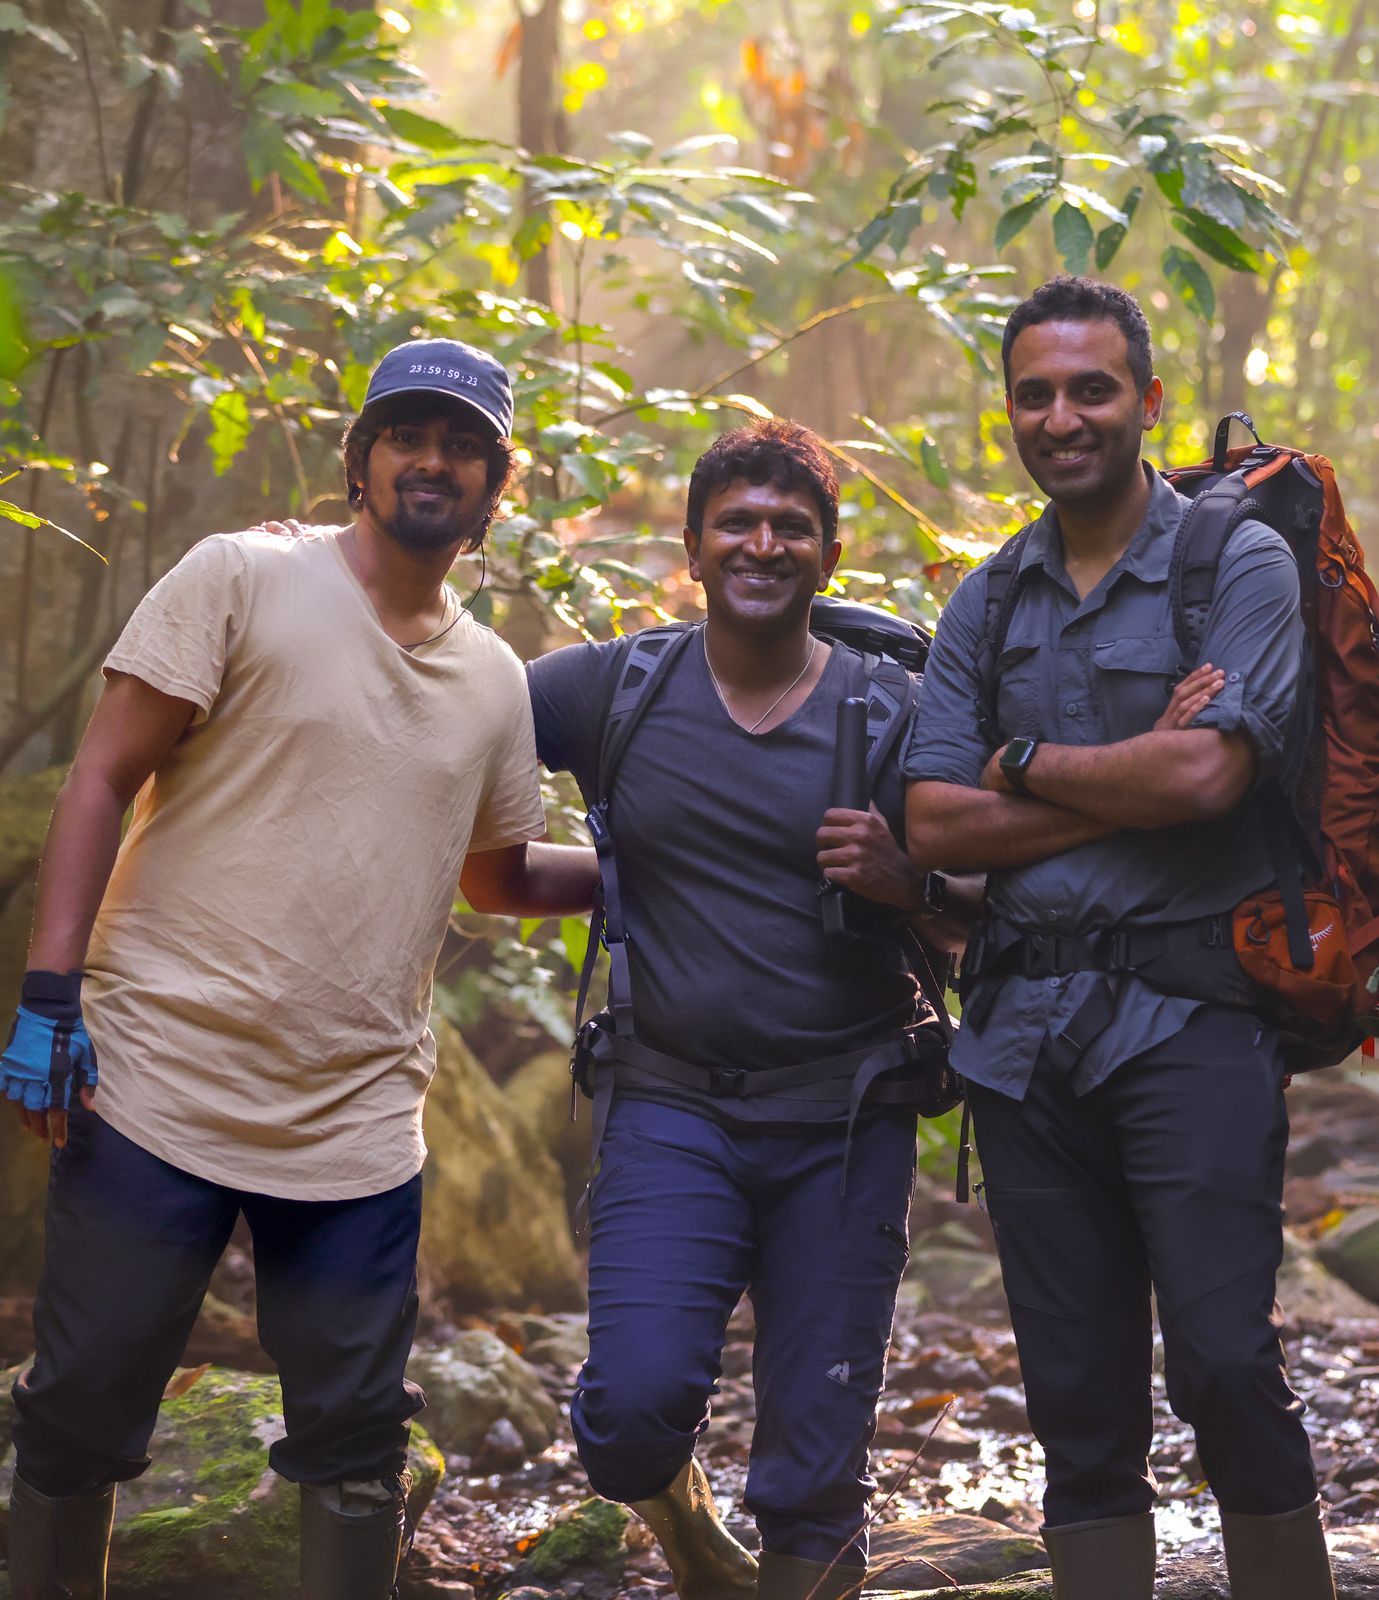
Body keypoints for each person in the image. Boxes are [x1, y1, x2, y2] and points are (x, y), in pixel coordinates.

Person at [1, 338, 597, 1600]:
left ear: (500, 483)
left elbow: (496, 877)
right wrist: (49, 995)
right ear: (361, 459)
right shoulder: (243, 578)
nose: (433, 461)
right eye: (409, 436)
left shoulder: (493, 680)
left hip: (354, 1121)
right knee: (83, 1404)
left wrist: (651, 864)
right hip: (154, 1080)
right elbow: (104, 771)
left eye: (464, 446)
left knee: (356, 1438)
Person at [903, 276, 1336, 1600]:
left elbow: (1207, 786)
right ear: (1010, 413)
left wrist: (1021, 762)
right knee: (1076, 1411)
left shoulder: (1235, 564)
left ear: (1143, 402)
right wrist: (1131, 769)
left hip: (1191, 1025)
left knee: (1217, 1357)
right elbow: (928, 818)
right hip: (1022, 1049)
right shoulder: (987, 598)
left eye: (1090, 388)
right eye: (1033, 392)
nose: (1060, 415)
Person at [527, 417, 977, 1600]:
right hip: (672, 1103)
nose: (762, 543)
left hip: (849, 1110)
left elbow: (995, 899)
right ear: (690, 547)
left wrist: (906, 881)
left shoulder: (898, 708)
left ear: (829, 555)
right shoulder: (611, 688)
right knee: (625, 1417)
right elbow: (426, 707)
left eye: (791, 526)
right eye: (737, 522)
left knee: (816, 1476)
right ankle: (678, 1511)